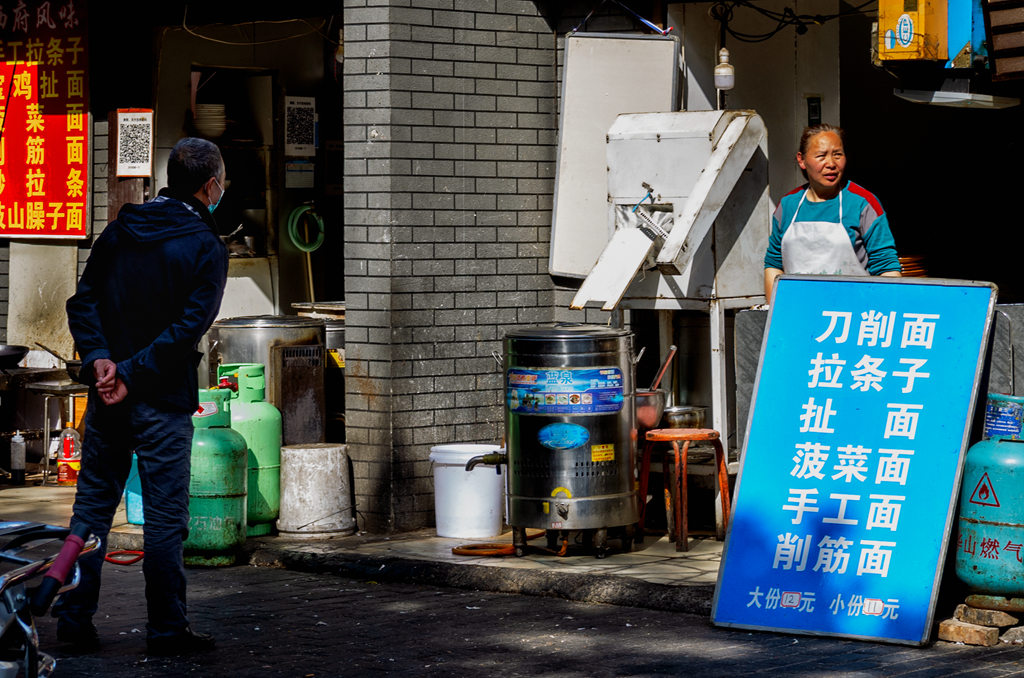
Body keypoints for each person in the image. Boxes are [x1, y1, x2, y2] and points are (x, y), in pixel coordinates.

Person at [54, 138, 229, 656]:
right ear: (210, 186)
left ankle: (72, 618)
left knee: (90, 511)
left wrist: (100, 361)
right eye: (223, 179)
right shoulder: (205, 246)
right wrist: (126, 371)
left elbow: (82, 303)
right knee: (164, 519)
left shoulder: (118, 231)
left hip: (107, 397)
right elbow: (185, 331)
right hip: (162, 401)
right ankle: (167, 630)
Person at [763, 124, 901, 302]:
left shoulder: (862, 204)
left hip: (851, 313)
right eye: (821, 156)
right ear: (802, 160)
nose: (831, 164)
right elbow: (774, 265)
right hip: (799, 312)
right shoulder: (788, 205)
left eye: (837, 155)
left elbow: (887, 268)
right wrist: (773, 311)